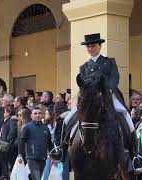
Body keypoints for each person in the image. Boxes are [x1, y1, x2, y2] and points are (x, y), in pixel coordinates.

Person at [50, 33, 137, 164]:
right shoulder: (83, 67)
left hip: (108, 96)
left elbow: (115, 78)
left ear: (99, 46)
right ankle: (61, 149)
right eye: (89, 47)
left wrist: (106, 91)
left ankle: (135, 156)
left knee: (127, 118)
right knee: (67, 119)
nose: (91, 49)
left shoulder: (109, 61)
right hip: (90, 99)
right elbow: (83, 85)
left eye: (93, 46)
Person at [19, 107, 54, 180]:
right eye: (35, 113)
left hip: (43, 158)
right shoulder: (27, 127)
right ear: (31, 116)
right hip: (32, 158)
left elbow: (50, 143)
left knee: (37, 178)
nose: (38, 115)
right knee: (37, 178)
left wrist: (54, 156)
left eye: (39, 113)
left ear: (42, 115)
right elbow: (22, 141)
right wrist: (20, 155)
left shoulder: (45, 128)